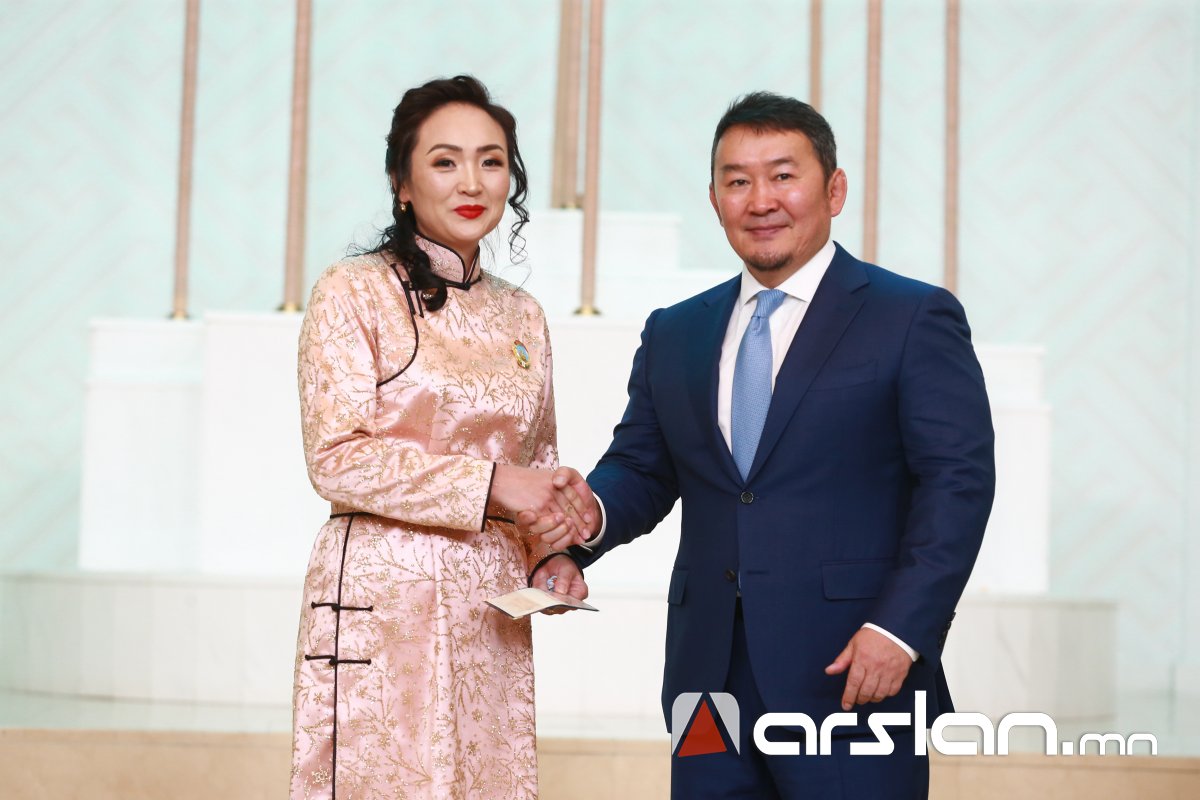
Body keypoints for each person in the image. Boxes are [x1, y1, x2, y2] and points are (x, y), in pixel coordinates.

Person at [522, 92, 995, 798]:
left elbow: (957, 485)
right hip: (708, 678)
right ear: (714, 200)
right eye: (738, 180)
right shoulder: (676, 330)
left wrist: (901, 631)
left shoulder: (911, 316)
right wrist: (583, 526)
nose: (761, 200)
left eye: (783, 175)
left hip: (854, 669)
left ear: (834, 190)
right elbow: (642, 467)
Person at [289, 75, 590, 800]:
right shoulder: (353, 291)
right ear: (402, 181)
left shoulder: (523, 315)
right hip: (383, 601)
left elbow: (538, 460)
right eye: (445, 161)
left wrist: (553, 551)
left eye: (491, 161)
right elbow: (337, 459)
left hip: (491, 608)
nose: (472, 182)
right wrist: (494, 484)